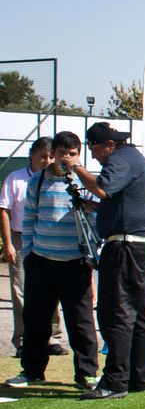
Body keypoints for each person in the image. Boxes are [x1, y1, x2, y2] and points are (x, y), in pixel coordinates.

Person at [67, 123, 145, 399]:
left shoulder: (120, 159)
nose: (95, 157)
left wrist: (77, 168)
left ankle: (115, 380)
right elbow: (116, 201)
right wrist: (94, 207)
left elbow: (105, 189)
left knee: (115, 313)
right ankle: (138, 377)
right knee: (139, 313)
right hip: (141, 246)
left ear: (107, 145)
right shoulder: (133, 158)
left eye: (94, 150)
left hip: (125, 247)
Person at [4, 132, 99, 390]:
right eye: (61, 153)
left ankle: (86, 374)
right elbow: (29, 219)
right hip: (42, 261)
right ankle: (32, 371)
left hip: (75, 262)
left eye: (71, 154)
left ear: (79, 155)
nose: (65, 158)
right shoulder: (37, 181)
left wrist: (90, 257)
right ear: (53, 154)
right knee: (36, 319)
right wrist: (31, 254)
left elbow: (94, 221)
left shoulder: (86, 182)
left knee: (80, 321)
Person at [1, 137, 66, 359]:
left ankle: (53, 337)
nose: (46, 161)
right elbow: (4, 210)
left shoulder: (57, 178)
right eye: (42, 157)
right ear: (32, 156)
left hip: (47, 239)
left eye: (50, 157)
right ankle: (22, 339)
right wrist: (8, 243)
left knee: (52, 288)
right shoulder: (15, 178)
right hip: (21, 239)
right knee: (20, 290)